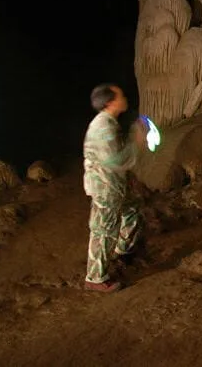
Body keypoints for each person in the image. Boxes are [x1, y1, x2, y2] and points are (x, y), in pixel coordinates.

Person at [83, 83, 144, 292]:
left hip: (114, 184)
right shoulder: (103, 127)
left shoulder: (109, 123)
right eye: (120, 96)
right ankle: (95, 278)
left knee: (132, 208)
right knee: (103, 230)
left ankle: (123, 249)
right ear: (110, 102)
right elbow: (115, 160)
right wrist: (136, 141)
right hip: (105, 187)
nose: (124, 98)